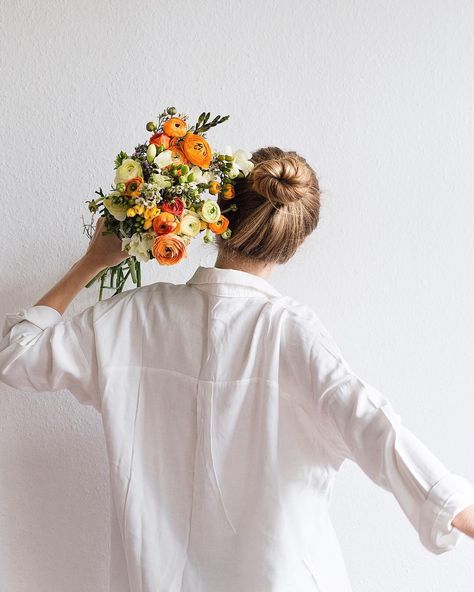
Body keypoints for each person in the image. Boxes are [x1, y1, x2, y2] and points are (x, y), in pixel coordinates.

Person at [0, 146, 473, 592]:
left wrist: (92, 262)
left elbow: (17, 356)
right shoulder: (290, 333)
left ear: (217, 218)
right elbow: (377, 428)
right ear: (297, 242)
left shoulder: (131, 318)